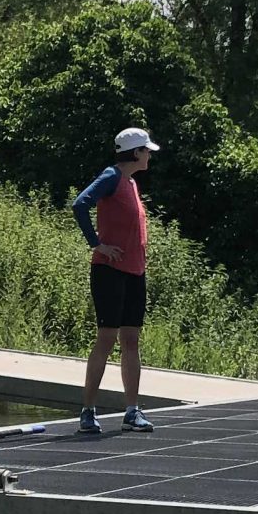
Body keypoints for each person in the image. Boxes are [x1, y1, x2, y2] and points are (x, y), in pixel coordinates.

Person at [71, 126, 161, 435]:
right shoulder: (111, 176)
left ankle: (132, 412)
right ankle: (87, 411)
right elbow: (80, 204)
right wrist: (97, 244)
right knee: (107, 338)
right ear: (136, 153)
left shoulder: (132, 183)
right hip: (109, 271)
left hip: (135, 272)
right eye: (146, 151)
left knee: (131, 339)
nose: (149, 155)